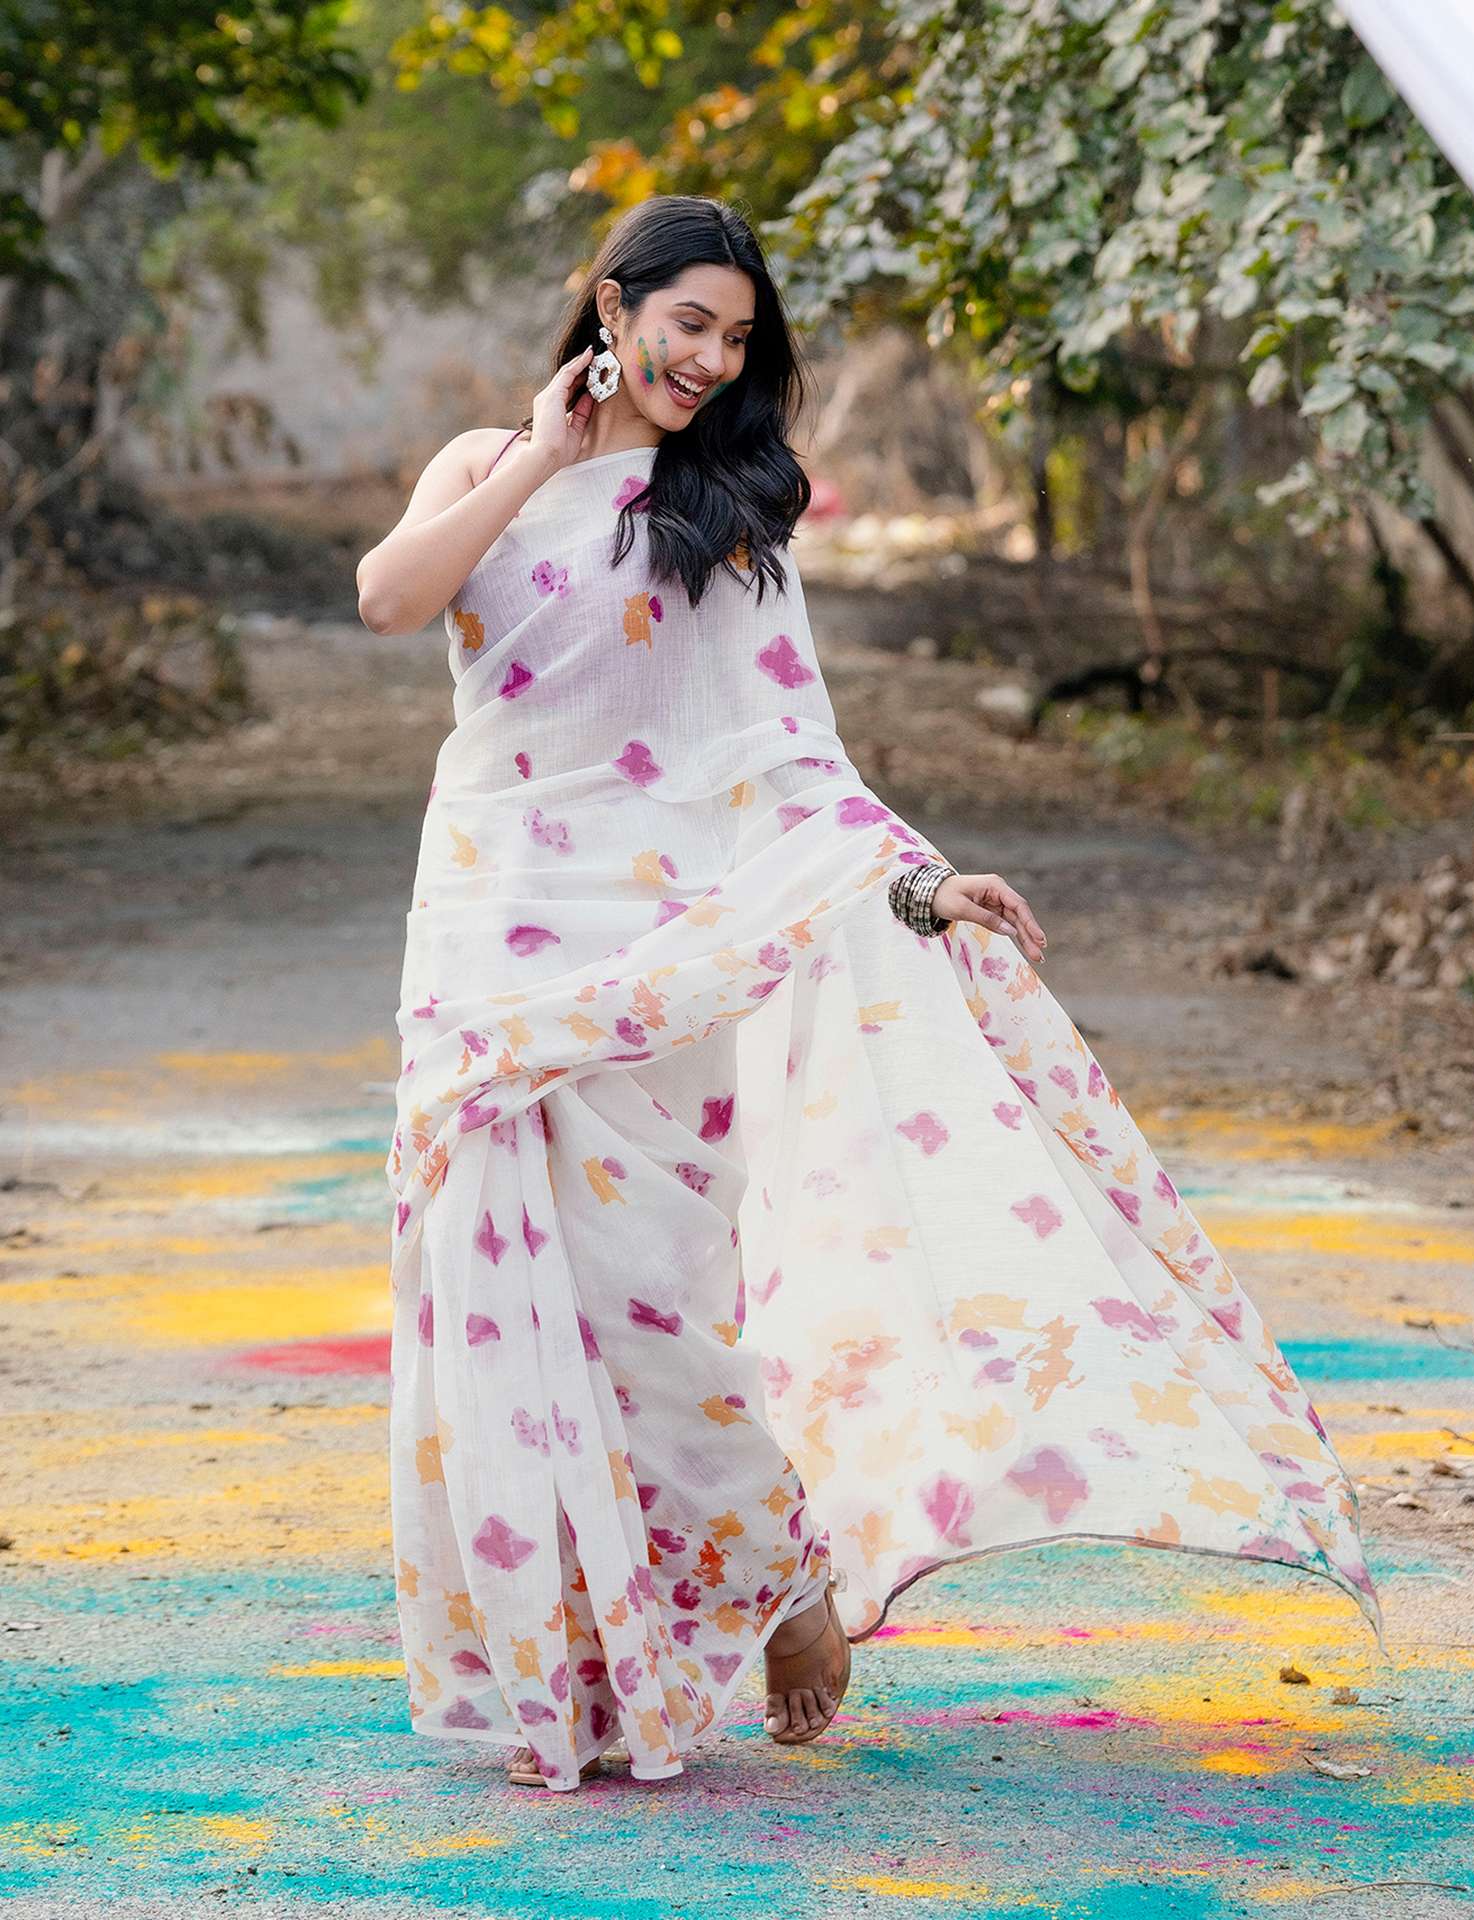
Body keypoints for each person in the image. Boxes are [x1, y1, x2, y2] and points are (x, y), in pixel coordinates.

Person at [355, 194, 1383, 1794]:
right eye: (685, 323)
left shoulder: (735, 512)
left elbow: (788, 762)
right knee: (506, 1303)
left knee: (662, 1310)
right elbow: (391, 602)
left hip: (673, 943)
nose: (707, 360)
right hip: (493, 939)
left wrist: (917, 888)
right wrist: (543, 463)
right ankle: (574, 1666)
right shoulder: (491, 463)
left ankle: (778, 1577)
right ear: (608, 309)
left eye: (736, 339)